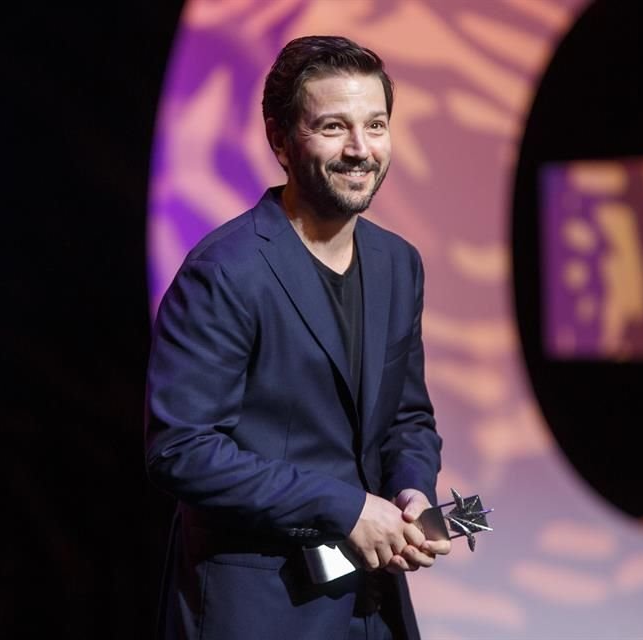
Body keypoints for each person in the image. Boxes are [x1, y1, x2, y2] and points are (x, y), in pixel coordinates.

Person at [144, 35, 448, 640]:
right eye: (334, 127)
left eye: (376, 125)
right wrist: (346, 506)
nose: (361, 150)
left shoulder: (399, 264)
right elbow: (181, 449)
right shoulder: (226, 272)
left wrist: (412, 490)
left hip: (371, 604)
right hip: (259, 607)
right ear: (280, 140)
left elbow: (407, 417)